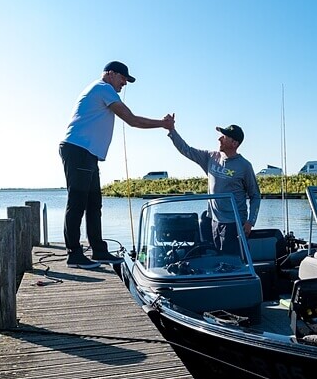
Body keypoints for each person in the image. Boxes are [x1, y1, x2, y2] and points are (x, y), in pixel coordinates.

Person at [60, 61, 172, 269]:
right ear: (110, 74)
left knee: (94, 205)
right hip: (78, 150)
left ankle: (99, 251)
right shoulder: (103, 88)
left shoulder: (101, 89)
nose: (124, 84)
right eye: (123, 78)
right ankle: (74, 254)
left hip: (87, 154)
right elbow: (131, 119)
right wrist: (162, 124)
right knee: (77, 203)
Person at [164, 118, 261, 255]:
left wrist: (250, 222)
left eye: (224, 137)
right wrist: (171, 130)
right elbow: (186, 150)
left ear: (234, 143)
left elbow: (255, 196)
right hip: (214, 222)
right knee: (215, 262)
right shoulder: (210, 157)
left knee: (233, 264)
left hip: (234, 225)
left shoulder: (244, 166)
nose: (219, 139)